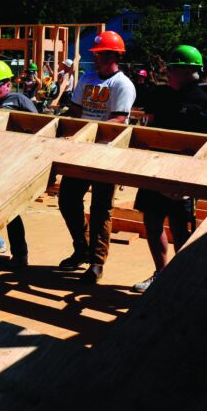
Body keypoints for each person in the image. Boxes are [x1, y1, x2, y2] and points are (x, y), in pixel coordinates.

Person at [131, 45, 207, 292]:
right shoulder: (160, 96)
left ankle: (184, 280)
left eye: (173, 69)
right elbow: (148, 126)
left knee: (182, 229)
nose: (168, 74)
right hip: (156, 170)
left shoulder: (205, 104)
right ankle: (161, 274)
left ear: (186, 72)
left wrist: (198, 175)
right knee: (152, 221)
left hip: (185, 174)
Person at [59, 30, 136, 284]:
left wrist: (88, 131)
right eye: (96, 54)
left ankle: (96, 262)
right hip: (82, 152)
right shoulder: (87, 78)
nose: (96, 59)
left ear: (114, 55)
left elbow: (118, 120)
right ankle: (81, 248)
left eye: (100, 54)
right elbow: (77, 110)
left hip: (106, 154)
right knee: (67, 199)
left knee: (101, 209)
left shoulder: (122, 85)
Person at [0, 60, 38, 267]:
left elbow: (38, 125)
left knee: (12, 212)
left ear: (8, 83)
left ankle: (20, 254)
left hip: (15, 164)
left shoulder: (17, 100)